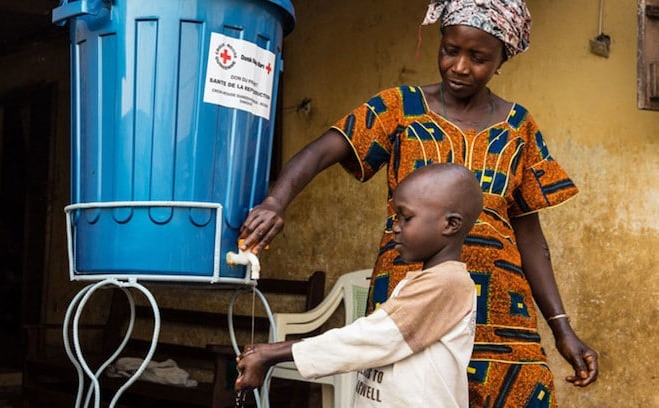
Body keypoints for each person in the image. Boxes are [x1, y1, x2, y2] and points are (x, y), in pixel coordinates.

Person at [237, 0, 598, 406]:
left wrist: (561, 327)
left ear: (502, 59)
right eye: (450, 50)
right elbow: (321, 152)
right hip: (411, 297)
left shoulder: (520, 127)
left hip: (502, 318)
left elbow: (531, 237)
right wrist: (275, 201)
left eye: (478, 57)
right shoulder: (399, 109)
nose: (459, 67)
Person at [236, 163, 483, 407]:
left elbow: (373, 337)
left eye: (406, 218)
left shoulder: (448, 284)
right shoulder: (427, 281)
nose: (395, 227)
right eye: (395, 217)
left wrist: (274, 353)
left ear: (450, 224)